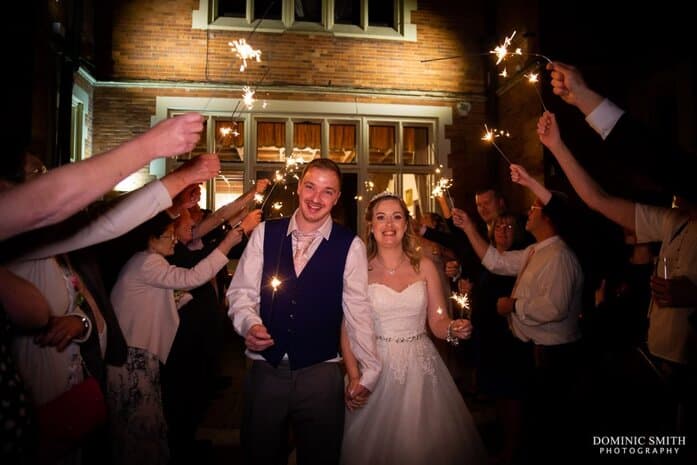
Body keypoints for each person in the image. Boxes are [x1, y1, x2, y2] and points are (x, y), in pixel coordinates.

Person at [536, 109, 697, 452]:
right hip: (657, 361)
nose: (670, 189)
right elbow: (598, 200)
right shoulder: (675, 222)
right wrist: (557, 147)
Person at [227, 158, 381, 465]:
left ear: (336, 198)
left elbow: (357, 311)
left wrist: (370, 369)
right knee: (258, 454)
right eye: (310, 186)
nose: (316, 198)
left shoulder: (349, 245)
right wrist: (249, 325)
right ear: (299, 187)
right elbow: (240, 293)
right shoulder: (264, 234)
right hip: (265, 371)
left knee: (321, 456)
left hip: (321, 374)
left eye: (327, 192)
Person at [340, 191, 486, 465]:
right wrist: (353, 375)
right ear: (370, 224)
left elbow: (437, 321)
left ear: (406, 224)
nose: (389, 225)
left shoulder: (426, 266)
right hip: (374, 366)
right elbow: (348, 329)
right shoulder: (358, 269)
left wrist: (454, 328)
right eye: (381, 218)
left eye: (396, 217)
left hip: (421, 368)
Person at [452, 168, 584, 464]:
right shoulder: (537, 251)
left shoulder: (560, 255)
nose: (529, 212)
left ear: (550, 218)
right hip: (536, 352)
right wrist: (470, 228)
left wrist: (513, 305)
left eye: (536, 208)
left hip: (554, 354)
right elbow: (496, 261)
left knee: (551, 426)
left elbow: (554, 307)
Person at [107, 214, 245, 465]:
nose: (174, 239)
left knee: (146, 421)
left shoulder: (145, 262)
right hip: (132, 357)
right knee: (139, 424)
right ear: (150, 238)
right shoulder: (148, 262)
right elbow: (191, 278)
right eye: (167, 235)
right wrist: (227, 244)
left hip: (137, 353)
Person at [0, 113, 205, 241]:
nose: (44, 178)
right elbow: (52, 198)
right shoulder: (20, 242)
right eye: (37, 173)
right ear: (5, 187)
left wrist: (180, 183)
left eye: (45, 171)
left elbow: (107, 218)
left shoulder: (48, 238)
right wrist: (150, 146)